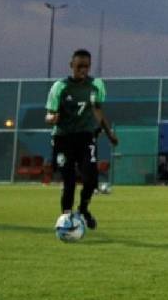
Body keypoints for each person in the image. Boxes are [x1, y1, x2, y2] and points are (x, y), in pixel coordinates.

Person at [46, 49, 118, 229]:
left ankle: (83, 209)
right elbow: (49, 115)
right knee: (69, 180)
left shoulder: (96, 85)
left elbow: (97, 110)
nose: (82, 70)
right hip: (63, 138)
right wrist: (52, 118)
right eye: (79, 66)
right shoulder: (60, 87)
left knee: (91, 178)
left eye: (86, 66)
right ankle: (66, 218)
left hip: (86, 137)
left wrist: (109, 134)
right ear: (71, 65)